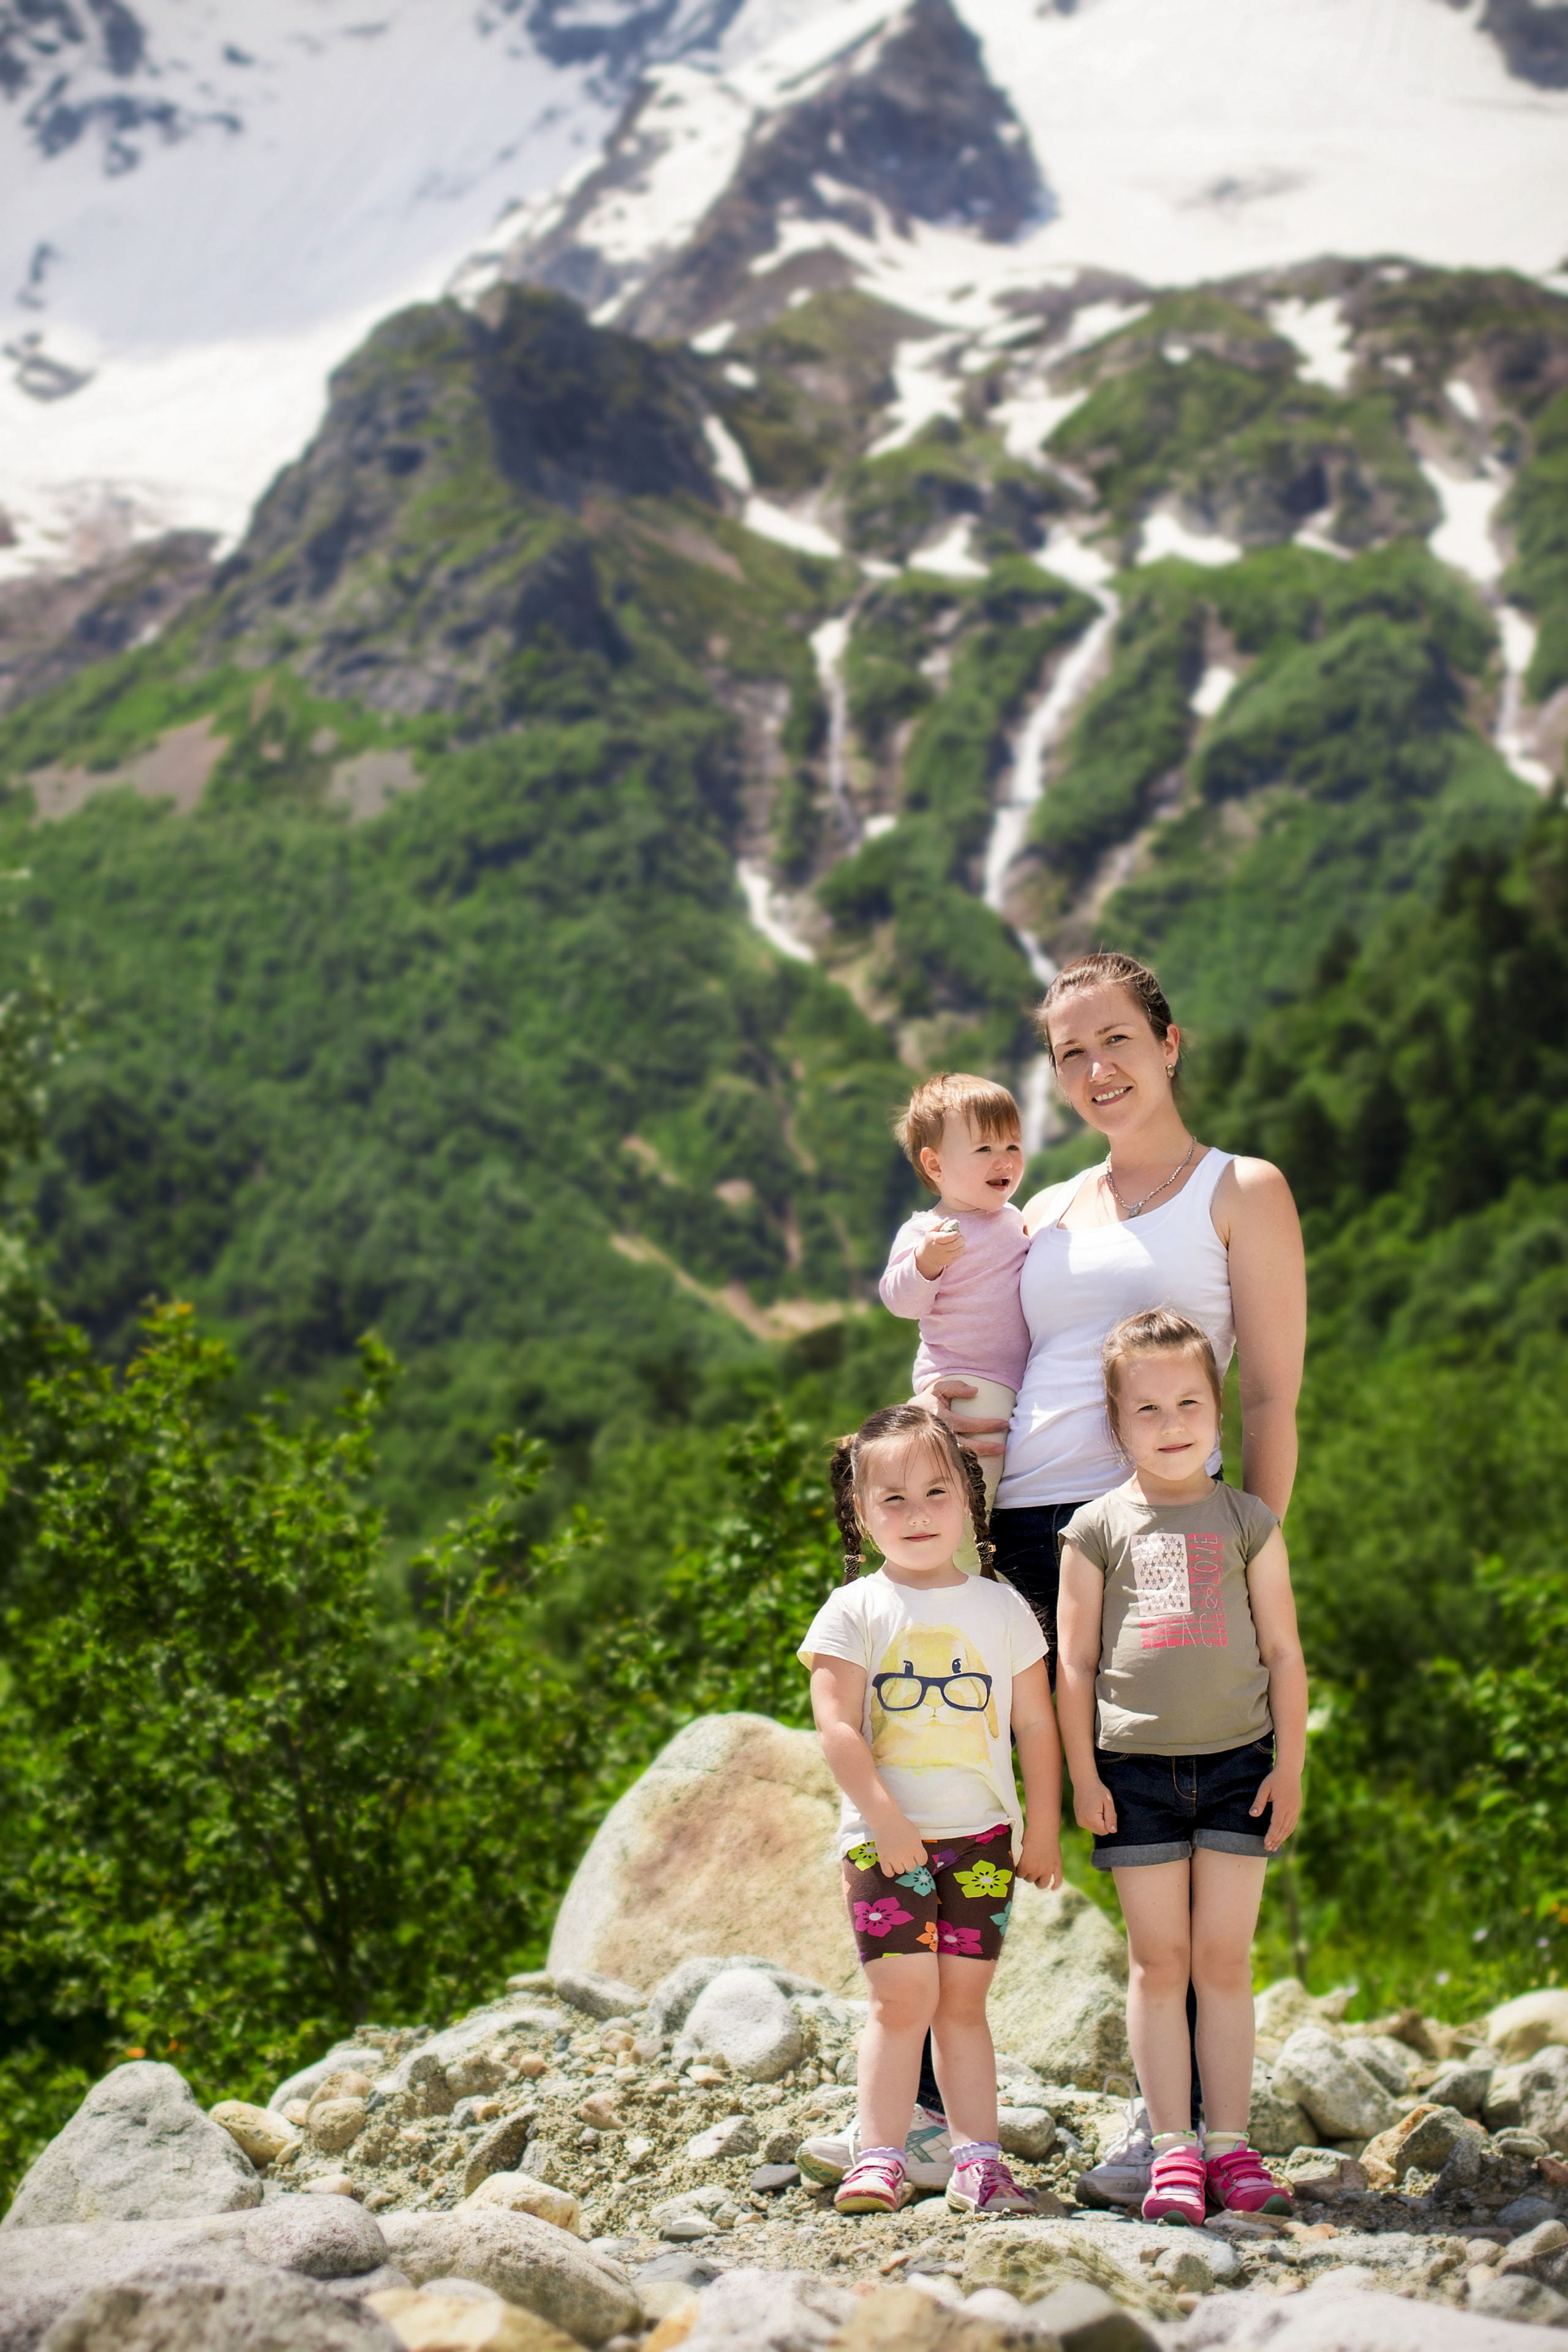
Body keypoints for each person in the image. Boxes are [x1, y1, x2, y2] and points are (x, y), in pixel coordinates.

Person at [924, 949, 1306, 2204]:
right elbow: (980, 1340)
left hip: (1161, 1545)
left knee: (1159, 1812)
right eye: (1068, 1053)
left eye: (1115, 1042)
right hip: (1015, 1532)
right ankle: (930, 2116)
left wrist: (1245, 1565)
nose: (1093, 1071)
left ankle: (1184, 2133)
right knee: (967, 1796)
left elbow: (1268, 1398)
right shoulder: (1043, 1210)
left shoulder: (1238, 1190)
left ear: (1168, 1041)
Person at [1055, 1308, 1307, 2225]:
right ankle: (1170, 2149)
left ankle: (1233, 2146)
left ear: (1217, 1407)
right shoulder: (1094, 1529)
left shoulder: (1249, 1521)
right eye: (1149, 1409)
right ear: (1116, 1423)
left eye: (1190, 1402)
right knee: (1159, 1964)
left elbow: (1283, 1651)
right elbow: (1074, 1663)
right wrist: (1082, 1774)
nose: (1172, 1424)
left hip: (1242, 1766)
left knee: (1224, 1962)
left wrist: (1292, 1765)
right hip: (1136, 1775)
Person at [796, 1402, 1061, 2218]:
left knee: (962, 2005)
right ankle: (879, 2155)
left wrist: (1043, 1825)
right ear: (862, 1513)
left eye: (935, 1494)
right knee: (901, 1998)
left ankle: (979, 2160)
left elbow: (1035, 1725)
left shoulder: (1002, 1608)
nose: (916, 1516)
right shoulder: (855, 1609)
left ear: (968, 1503)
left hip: (980, 1839)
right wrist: (884, 1819)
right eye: (893, 1501)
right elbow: (837, 1727)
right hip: (886, 1843)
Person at [878, 1072, 1029, 1568]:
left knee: (1002, 1492)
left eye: (1012, 1144)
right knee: (973, 1492)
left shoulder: (1015, 1219)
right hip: (965, 1382)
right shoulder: (930, 1230)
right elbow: (901, 1301)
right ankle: (959, 1577)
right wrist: (926, 1261)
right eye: (984, 1148)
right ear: (935, 1164)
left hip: (1018, 1384)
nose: (1004, 1160)